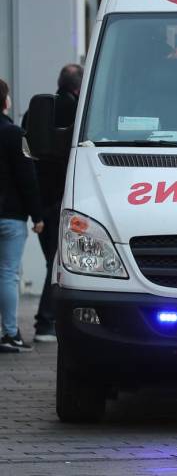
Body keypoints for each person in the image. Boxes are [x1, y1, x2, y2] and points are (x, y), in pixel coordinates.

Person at [28, 64, 82, 343]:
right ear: (78, 87)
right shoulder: (80, 113)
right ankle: (46, 321)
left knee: (53, 260)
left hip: (41, 199)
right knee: (57, 261)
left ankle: (48, 320)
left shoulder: (34, 113)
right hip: (65, 197)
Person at [0, 79, 46, 353]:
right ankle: (10, 334)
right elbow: (27, 177)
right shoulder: (14, 134)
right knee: (7, 274)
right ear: (5, 102)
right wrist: (37, 215)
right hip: (10, 215)